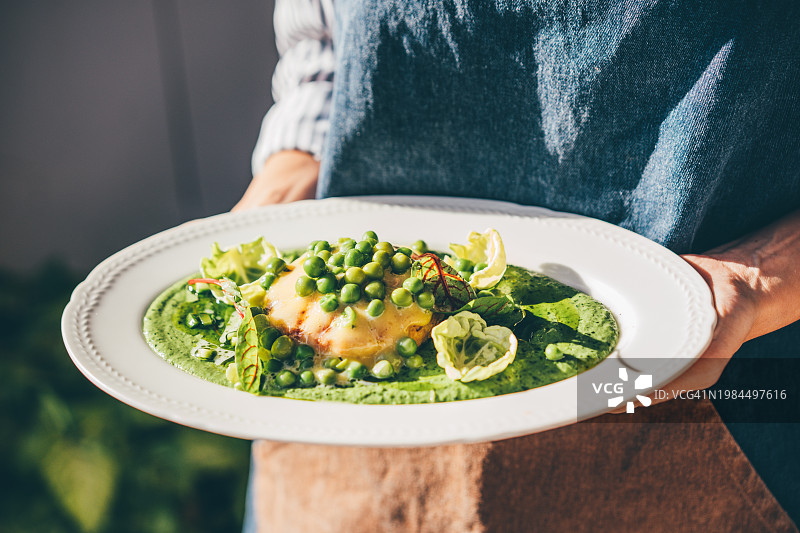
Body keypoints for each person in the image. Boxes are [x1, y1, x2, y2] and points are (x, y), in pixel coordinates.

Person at [236, 1, 800, 531]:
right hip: (336, 430)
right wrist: (298, 153)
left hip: (692, 398)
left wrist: (757, 271)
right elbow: (327, 35)